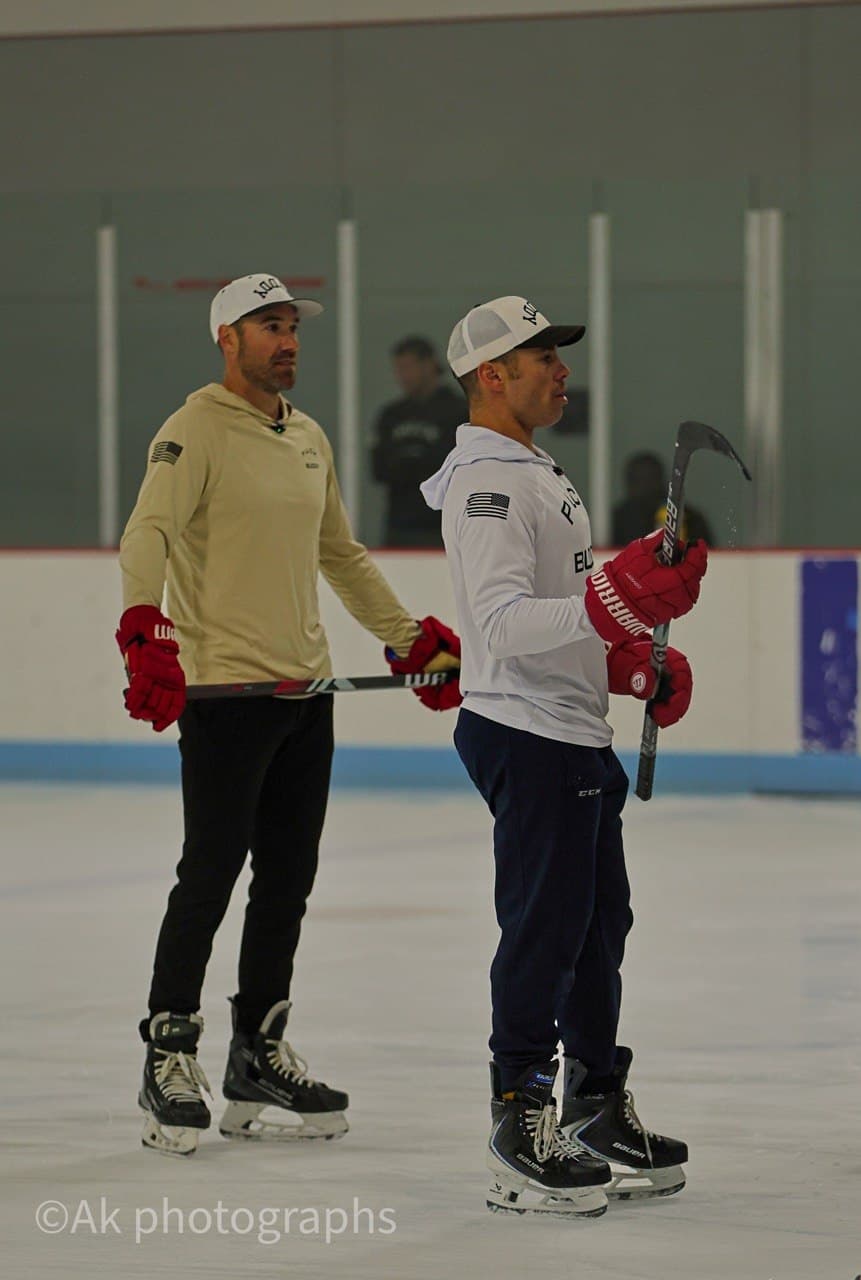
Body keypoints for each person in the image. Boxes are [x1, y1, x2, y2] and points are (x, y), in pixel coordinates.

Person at [117, 273, 461, 1157]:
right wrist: (143, 629)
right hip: (226, 696)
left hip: (306, 696)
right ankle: (168, 1050)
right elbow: (147, 534)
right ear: (227, 339)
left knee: (286, 882)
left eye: (292, 327)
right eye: (269, 327)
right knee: (209, 876)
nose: (288, 340)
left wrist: (407, 639)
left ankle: (257, 1051)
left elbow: (338, 553)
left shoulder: (305, 436)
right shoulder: (192, 429)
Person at [421, 295, 707, 1217]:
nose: (561, 368)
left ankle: (589, 1105)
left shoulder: (537, 470)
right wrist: (614, 598)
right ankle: (519, 1118)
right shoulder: (488, 485)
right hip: (525, 730)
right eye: (541, 355)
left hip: (571, 728)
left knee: (596, 930)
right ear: (490, 377)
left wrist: (628, 660)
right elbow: (501, 627)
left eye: (559, 353)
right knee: (545, 931)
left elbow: (568, 611)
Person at [370, 335, 464, 546]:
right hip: (400, 527)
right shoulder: (392, 415)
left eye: (407, 367)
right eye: (398, 369)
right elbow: (379, 469)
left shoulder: (458, 412)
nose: (402, 376)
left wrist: (410, 463)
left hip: (442, 526)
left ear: (429, 364)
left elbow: (458, 470)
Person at [611, 450, 714, 547]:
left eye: (649, 480)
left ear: (661, 481)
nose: (644, 487)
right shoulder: (615, 520)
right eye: (637, 480)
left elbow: (709, 557)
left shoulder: (688, 519)